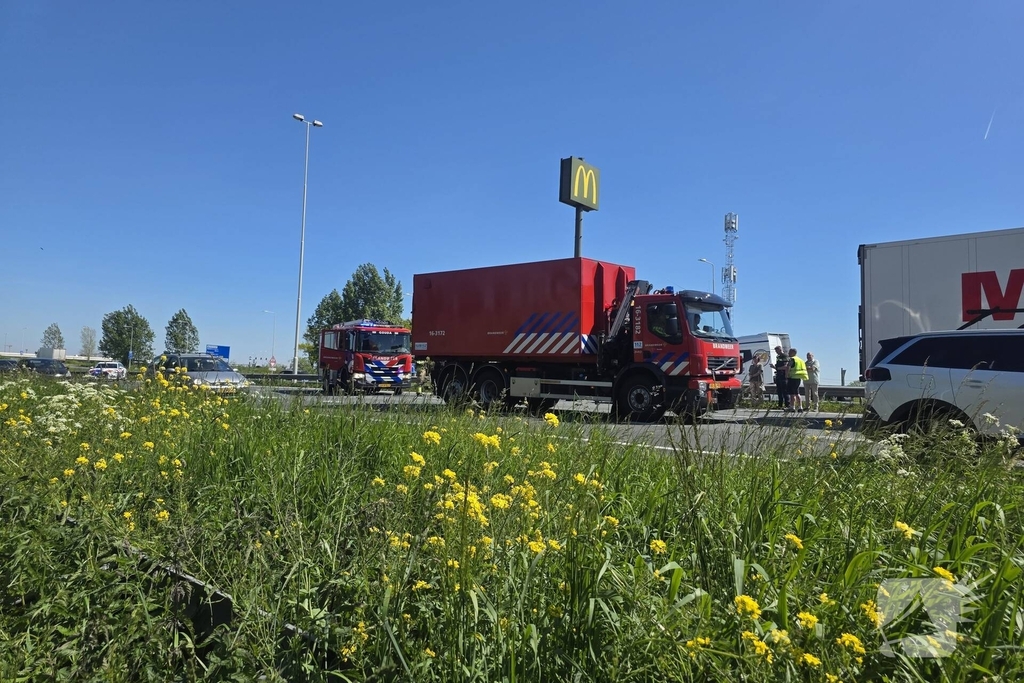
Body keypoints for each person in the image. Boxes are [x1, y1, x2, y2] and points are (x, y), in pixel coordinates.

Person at [788, 348, 808, 412]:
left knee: (792, 393)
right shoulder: (800, 360)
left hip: (792, 377)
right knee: (797, 393)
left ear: (793, 353)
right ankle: (800, 407)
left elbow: (788, 367)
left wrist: (786, 375)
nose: (788, 353)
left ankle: (792, 407)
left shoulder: (792, 359)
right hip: (798, 378)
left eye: (790, 352)